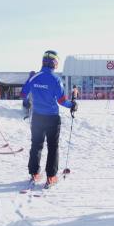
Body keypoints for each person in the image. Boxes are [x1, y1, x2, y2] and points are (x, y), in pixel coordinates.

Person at [21, 50, 77, 188]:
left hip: (37, 117)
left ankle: (34, 173)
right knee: (53, 147)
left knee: (36, 145)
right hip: (52, 118)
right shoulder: (56, 79)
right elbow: (62, 101)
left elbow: (23, 93)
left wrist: (29, 79)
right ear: (55, 63)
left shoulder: (35, 77)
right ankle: (51, 177)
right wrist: (73, 104)